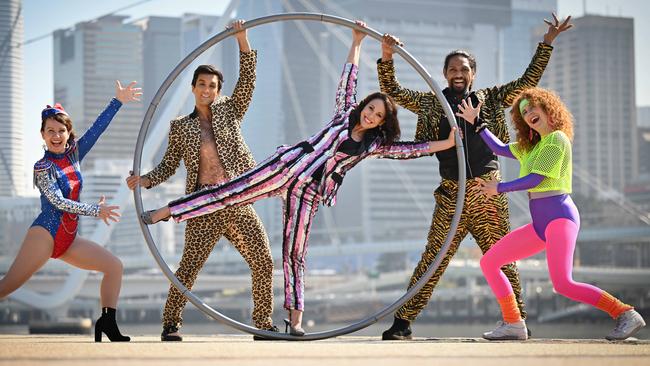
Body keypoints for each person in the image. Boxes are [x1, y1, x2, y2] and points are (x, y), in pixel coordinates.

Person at [140, 21, 456, 336]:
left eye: (378, 116)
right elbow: (349, 78)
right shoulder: (344, 113)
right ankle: (166, 214)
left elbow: (411, 149)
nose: (370, 115)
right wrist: (356, 41)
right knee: (226, 195)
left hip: (309, 192)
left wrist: (446, 143)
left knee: (292, 253)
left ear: (382, 123)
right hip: (285, 167)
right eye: (369, 108)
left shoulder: (373, 146)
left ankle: (294, 320)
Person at [377, 13, 573, 340]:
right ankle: (403, 322)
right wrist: (386, 56)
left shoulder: (490, 99)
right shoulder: (431, 102)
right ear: (444, 73)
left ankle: (517, 321)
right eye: (452, 69)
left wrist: (547, 42)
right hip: (451, 193)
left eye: (464, 69)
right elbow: (393, 91)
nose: (458, 74)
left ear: (473, 74)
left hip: (487, 191)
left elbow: (528, 80)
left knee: (504, 258)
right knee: (433, 260)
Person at [456, 87, 646, 341]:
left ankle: (625, 313)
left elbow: (537, 178)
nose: (529, 113)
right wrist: (477, 123)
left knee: (563, 284)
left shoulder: (558, 139)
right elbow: (500, 148)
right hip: (540, 223)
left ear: (548, 109)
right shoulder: (530, 147)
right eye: (524, 112)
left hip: (560, 217)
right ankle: (513, 323)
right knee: (489, 262)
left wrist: (499, 188)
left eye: (534, 107)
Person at [126, 20, 277, 341]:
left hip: (236, 199)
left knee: (263, 260)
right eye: (202, 84)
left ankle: (263, 324)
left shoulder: (230, 111)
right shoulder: (180, 127)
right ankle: (170, 323)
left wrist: (242, 39)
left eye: (212, 86)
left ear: (218, 91)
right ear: (193, 88)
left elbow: (248, 82)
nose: (207, 90)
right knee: (188, 268)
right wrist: (144, 181)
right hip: (203, 206)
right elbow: (168, 167)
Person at [0, 81, 141, 342]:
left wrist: (117, 101)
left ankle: (107, 324)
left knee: (114, 267)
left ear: (68, 133)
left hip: (68, 238)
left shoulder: (74, 155)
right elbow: (57, 201)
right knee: (6, 287)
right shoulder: (42, 167)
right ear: (42, 134)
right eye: (50, 131)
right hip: (45, 233)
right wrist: (94, 209)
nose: (56, 136)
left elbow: (96, 130)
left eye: (61, 131)